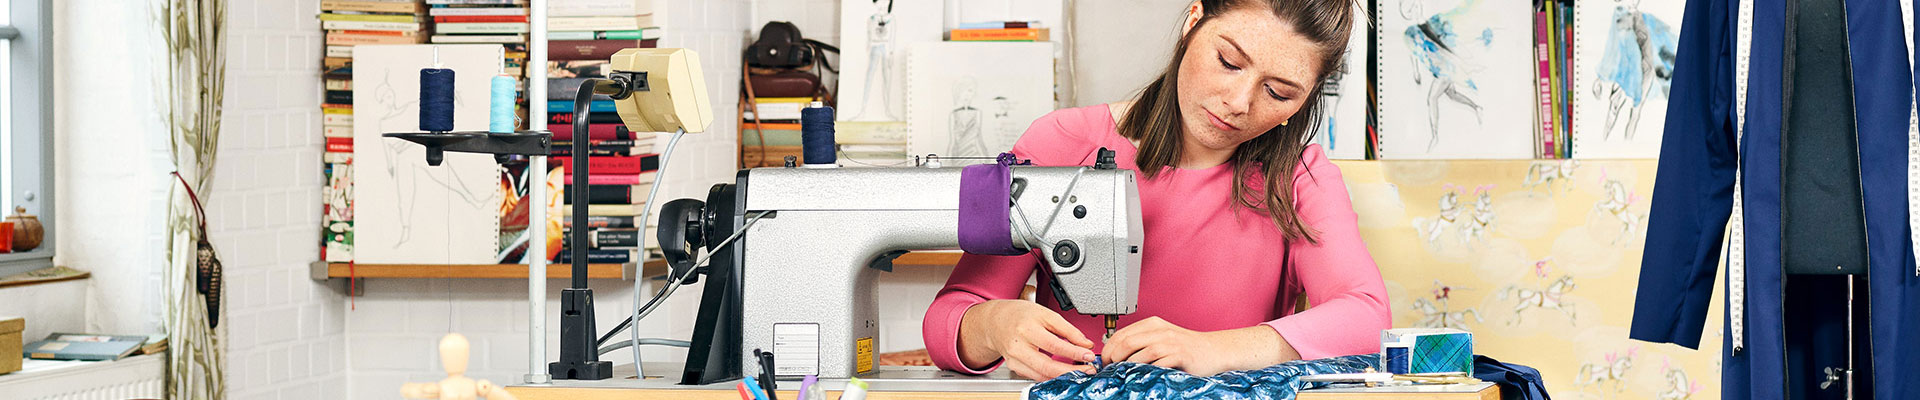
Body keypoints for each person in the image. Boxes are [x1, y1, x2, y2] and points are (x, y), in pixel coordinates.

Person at [922, 0, 1389, 381]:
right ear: (1192, 21)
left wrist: (1213, 349)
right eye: (1228, 62)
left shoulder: (1298, 176)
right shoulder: (1062, 143)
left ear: (1304, 100)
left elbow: (1368, 318)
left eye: (1279, 93)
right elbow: (950, 318)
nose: (1239, 102)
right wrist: (995, 326)